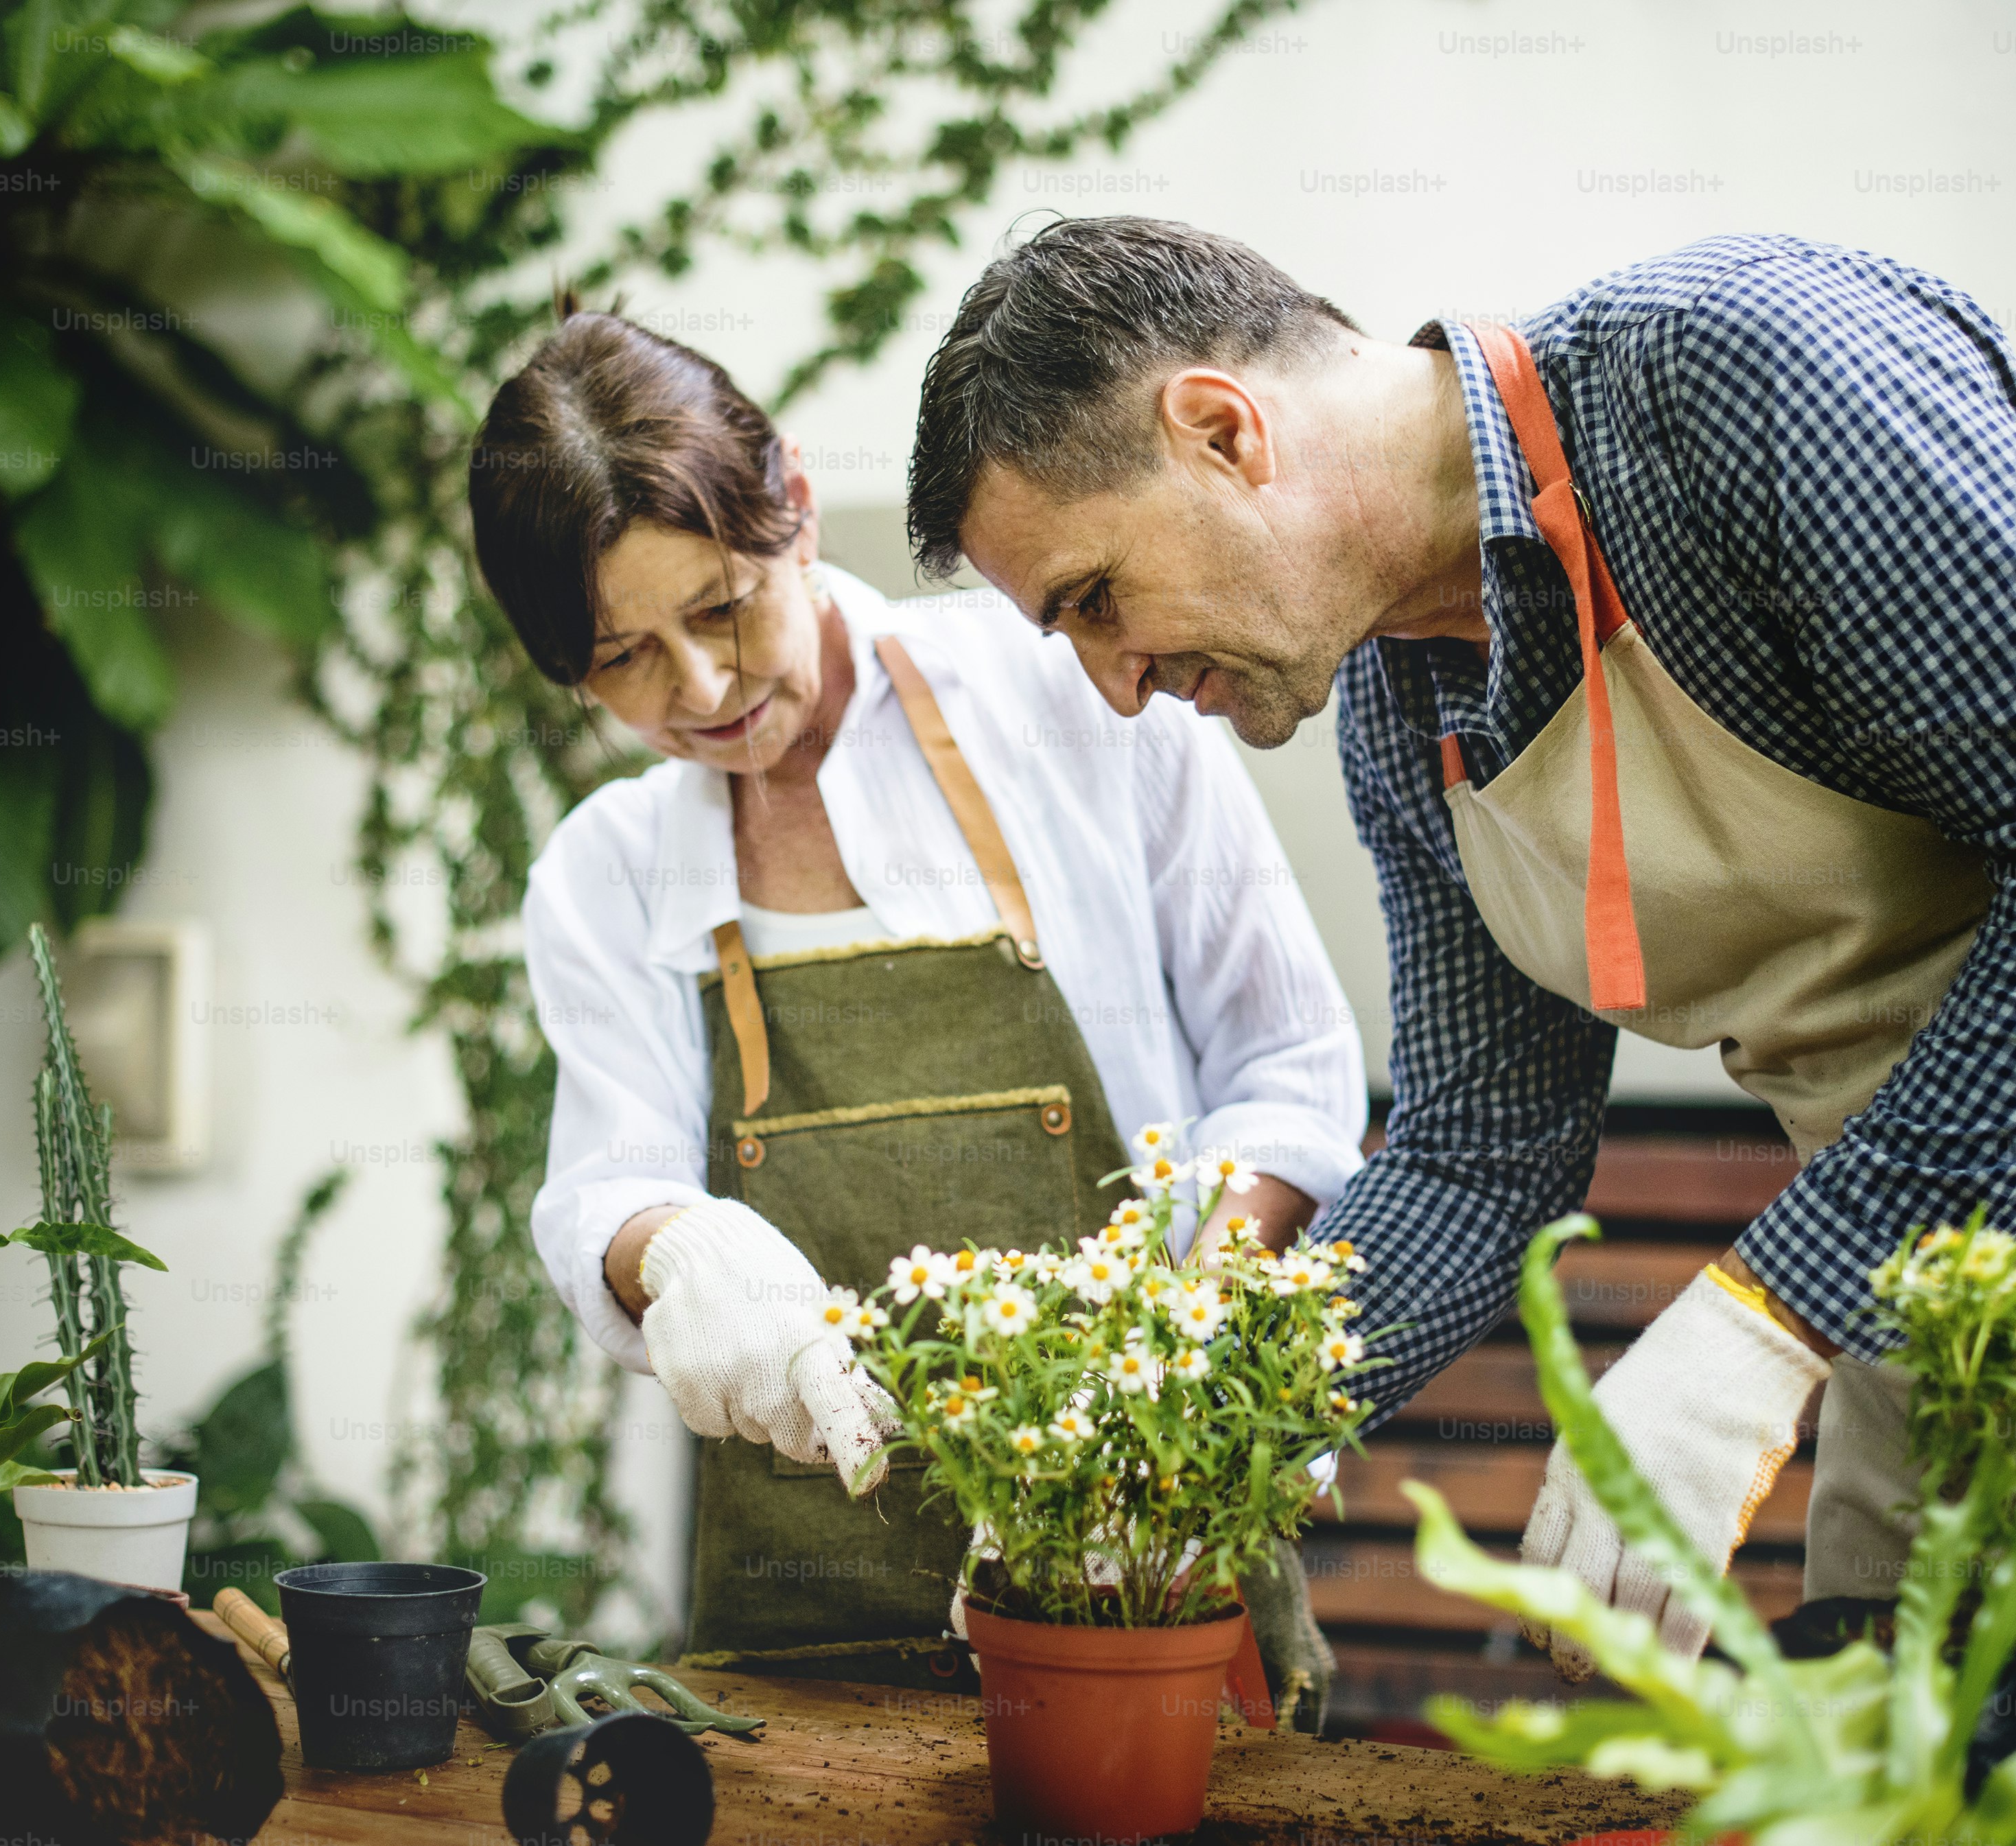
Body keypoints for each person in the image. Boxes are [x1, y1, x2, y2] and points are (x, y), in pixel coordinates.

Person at [902, 217, 2016, 1694]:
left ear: (1221, 429)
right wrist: (1184, 1430)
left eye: (1095, 599)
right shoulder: (1404, 708)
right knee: (1899, 1741)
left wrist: (1758, 1318)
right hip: (1930, 1225)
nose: (1114, 686)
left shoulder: (1742, 374)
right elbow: (1473, 1153)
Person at [469, 305, 1368, 1699]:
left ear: (799, 515)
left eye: (721, 608)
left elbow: (1292, 1069)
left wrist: (1164, 1390)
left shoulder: (1067, 679)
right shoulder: (604, 875)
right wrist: (679, 1253)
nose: (700, 688)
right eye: (620, 658)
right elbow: (610, 1184)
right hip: (805, 1633)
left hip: (1145, 1570)